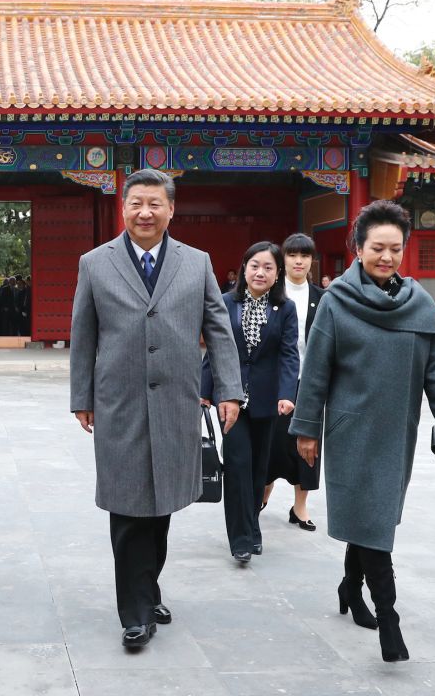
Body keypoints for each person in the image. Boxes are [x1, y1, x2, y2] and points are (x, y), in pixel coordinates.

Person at [70, 168, 243, 650]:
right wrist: (81, 397)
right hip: (118, 402)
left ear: (171, 209)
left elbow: (218, 329)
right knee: (128, 504)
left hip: (175, 400)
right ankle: (136, 611)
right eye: (136, 203)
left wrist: (229, 388)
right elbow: (84, 334)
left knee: (162, 502)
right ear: (122, 208)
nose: (144, 212)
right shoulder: (95, 263)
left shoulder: (196, 262)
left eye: (154, 204)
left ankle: (148, 585)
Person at [291, 200, 435, 663]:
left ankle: (350, 587)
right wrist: (307, 429)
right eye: (377, 248)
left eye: (394, 249)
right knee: (372, 522)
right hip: (351, 432)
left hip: (397, 433)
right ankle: (389, 622)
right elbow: (315, 373)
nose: (385, 257)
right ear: (358, 248)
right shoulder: (336, 303)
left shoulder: (419, 303)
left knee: (373, 520)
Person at [200, 242, 299, 564]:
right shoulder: (225, 303)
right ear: (244, 268)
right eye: (255, 265)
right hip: (229, 398)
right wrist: (204, 389)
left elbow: (288, 354)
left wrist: (287, 393)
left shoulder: (284, 309)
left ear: (277, 274)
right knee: (239, 465)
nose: (260, 272)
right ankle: (240, 539)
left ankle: (253, 528)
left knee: (259, 468)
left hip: (268, 399)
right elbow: (214, 349)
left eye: (268, 267)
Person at [263, 233, 324, 530]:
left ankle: (300, 507)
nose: (299, 261)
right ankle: (263, 493)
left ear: (312, 260)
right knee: (273, 441)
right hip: (276, 381)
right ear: (283, 259)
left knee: (308, 446)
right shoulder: (271, 294)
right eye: (292, 255)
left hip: (310, 383)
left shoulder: (322, 298)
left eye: (305, 255)